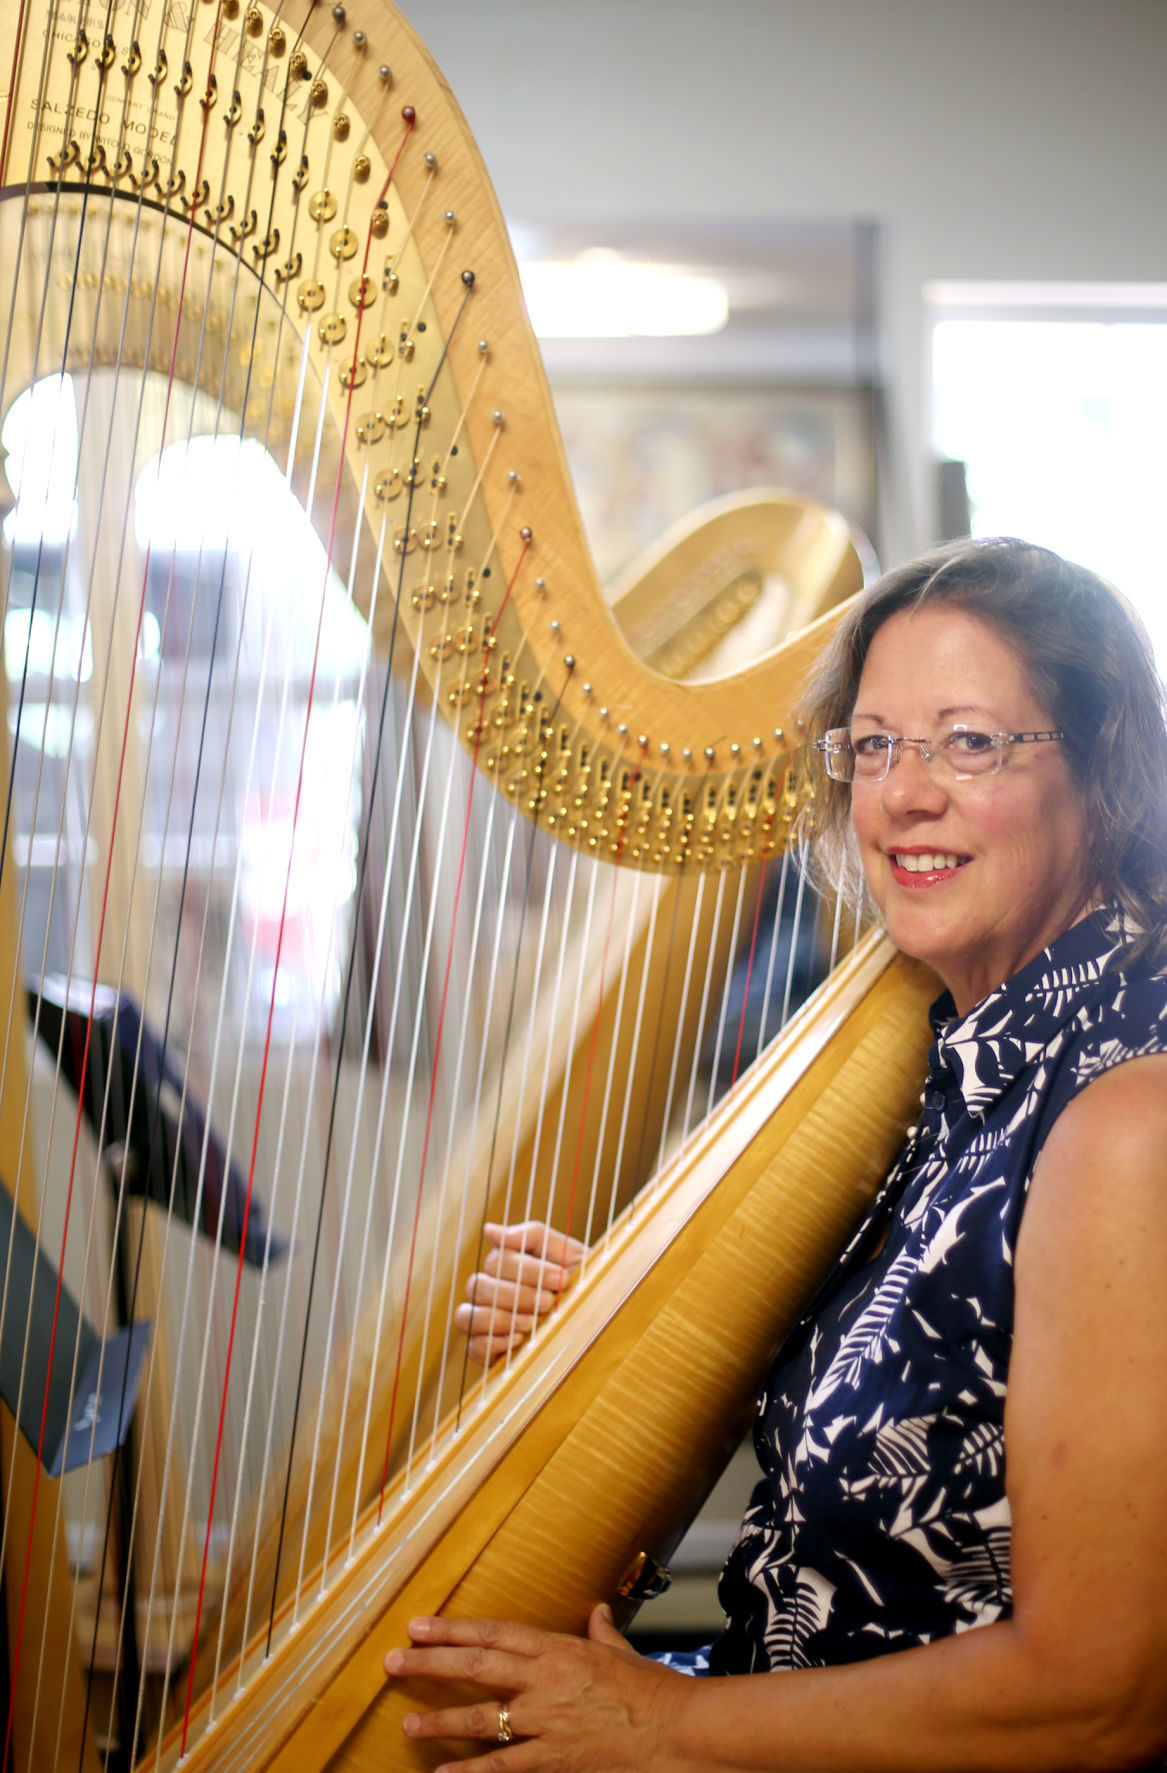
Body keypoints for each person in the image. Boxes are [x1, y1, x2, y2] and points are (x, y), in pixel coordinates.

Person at [384, 537, 1167, 1771]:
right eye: (874, 744)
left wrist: (666, 1724)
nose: (904, 791)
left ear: (1104, 769)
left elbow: (1100, 1695)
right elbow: (948, 1430)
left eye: (971, 741)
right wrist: (635, 1333)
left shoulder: (1127, 1121)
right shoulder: (959, 1051)